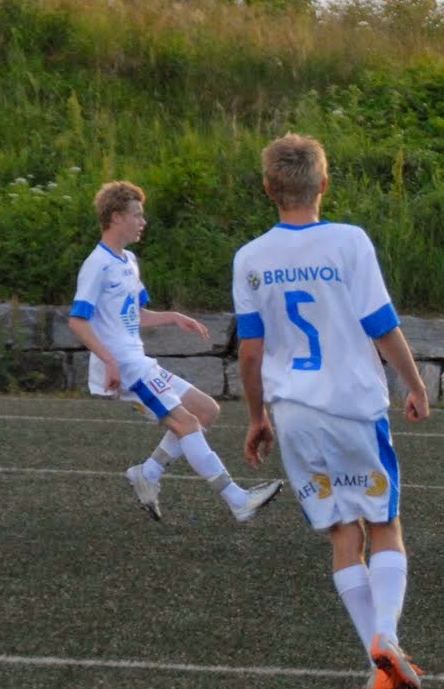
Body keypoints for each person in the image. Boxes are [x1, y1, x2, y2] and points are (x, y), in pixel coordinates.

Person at [232, 135, 432, 689]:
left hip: (293, 415)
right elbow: (380, 323)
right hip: (352, 407)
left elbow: (250, 352)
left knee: (344, 534)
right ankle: (387, 636)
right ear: (323, 184)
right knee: (384, 524)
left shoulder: (250, 258)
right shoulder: (348, 241)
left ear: (268, 188)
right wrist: (415, 384)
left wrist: (257, 416)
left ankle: (379, 664)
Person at [66, 180, 282, 525]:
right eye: (137, 215)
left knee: (206, 410)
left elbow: (134, 314)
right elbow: (78, 320)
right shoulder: (97, 264)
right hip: (126, 366)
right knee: (187, 423)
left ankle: (148, 473)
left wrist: (174, 317)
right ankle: (237, 500)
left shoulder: (128, 260)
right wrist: (109, 361)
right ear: (117, 217)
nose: (143, 221)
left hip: (138, 361)